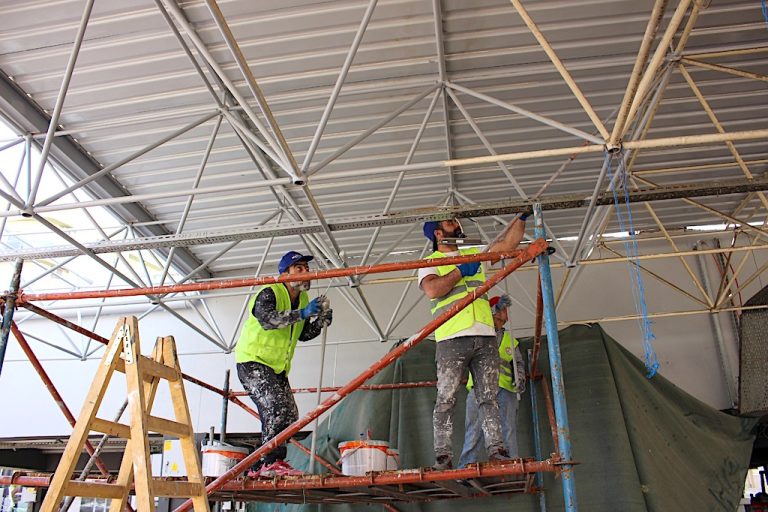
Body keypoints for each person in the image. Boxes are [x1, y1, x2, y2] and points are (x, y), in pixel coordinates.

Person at [418, 214, 527, 470]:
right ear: (437, 234)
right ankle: (443, 457)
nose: (457, 225)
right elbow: (433, 290)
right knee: (446, 398)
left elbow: (508, 245)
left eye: (456, 222)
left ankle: (497, 450)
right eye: (450, 223)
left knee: (488, 397)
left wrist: (521, 218)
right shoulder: (429, 262)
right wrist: (459, 271)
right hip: (452, 337)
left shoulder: (474, 253)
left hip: (485, 335)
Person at [235, 250, 333, 477]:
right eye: (299, 268)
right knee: (277, 408)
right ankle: (267, 462)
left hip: (277, 368)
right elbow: (269, 321)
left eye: (307, 269)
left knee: (289, 415)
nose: (306, 273)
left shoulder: (304, 299)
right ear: (284, 273)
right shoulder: (269, 292)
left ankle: (267, 463)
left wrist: (319, 322)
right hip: (253, 362)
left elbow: (302, 333)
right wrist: (303, 312)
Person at [458, 295, 526, 468]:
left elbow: (517, 362)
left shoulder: (510, 340)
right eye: (502, 309)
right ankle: (466, 466)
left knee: (507, 427)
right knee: (474, 429)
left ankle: (510, 464)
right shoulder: (478, 334)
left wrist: (520, 379)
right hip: (479, 388)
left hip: (505, 388)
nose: (505, 313)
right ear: (493, 311)